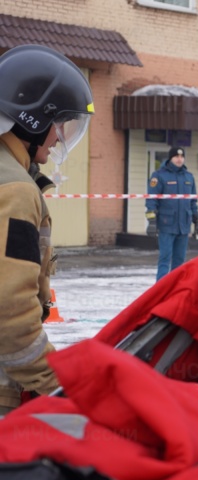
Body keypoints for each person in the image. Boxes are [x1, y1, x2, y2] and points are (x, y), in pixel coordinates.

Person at [0, 44, 94, 414]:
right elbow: (10, 315)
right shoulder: (16, 190)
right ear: (34, 120)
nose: (59, 139)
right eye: (59, 125)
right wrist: (57, 385)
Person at [145, 146, 198, 281]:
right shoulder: (159, 175)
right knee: (165, 257)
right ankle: (161, 289)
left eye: (182, 157)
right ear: (170, 158)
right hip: (166, 223)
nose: (179, 159)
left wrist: (196, 220)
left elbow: (192, 201)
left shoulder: (189, 176)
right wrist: (152, 221)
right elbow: (152, 198)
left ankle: (175, 289)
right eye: (176, 156)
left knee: (179, 260)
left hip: (184, 225)